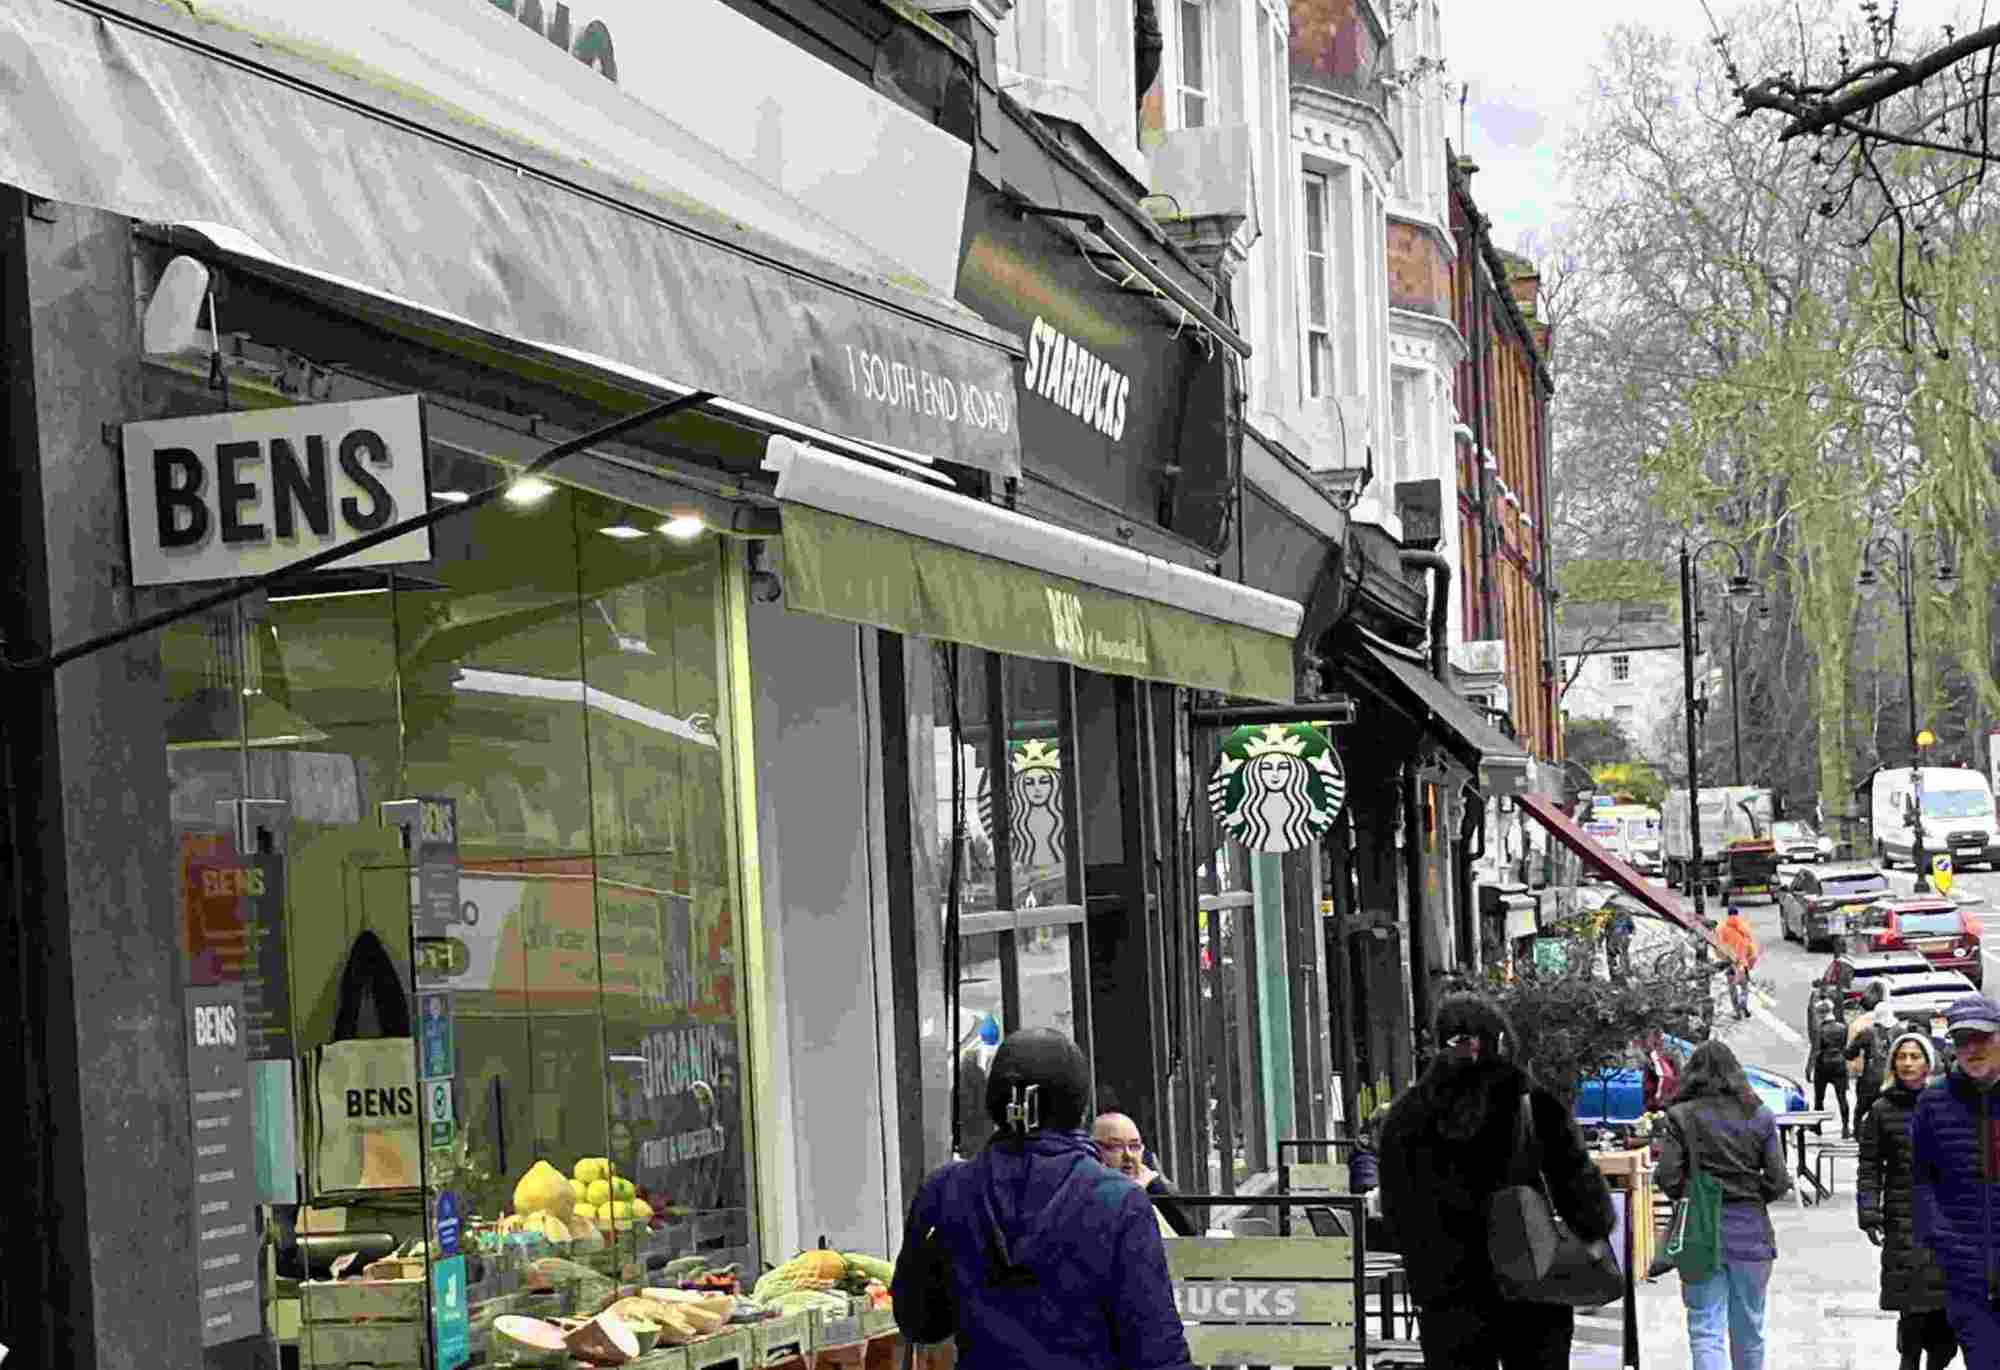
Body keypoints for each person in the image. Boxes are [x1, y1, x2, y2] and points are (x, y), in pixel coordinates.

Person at [890, 1028, 1192, 1370]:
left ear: (995, 1103)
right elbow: (1156, 1349)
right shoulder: (1119, 1201)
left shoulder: (944, 1190)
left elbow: (919, 1322)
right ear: (1078, 1104)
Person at [1375, 992, 1615, 1368]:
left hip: (1448, 1294)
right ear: (1500, 1040)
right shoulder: (1533, 1103)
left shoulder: (1406, 1117)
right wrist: (1594, 1231)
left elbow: (1396, 1212)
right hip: (1534, 1282)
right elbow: (1577, 1184)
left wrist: (1427, 1265)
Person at [1655, 1040, 1791, 1370]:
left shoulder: (1680, 1116)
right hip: (1751, 1232)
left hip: (1700, 1232)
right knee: (1750, 1329)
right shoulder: (1759, 1115)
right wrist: (1749, 1193)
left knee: (1705, 1329)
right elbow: (1778, 1180)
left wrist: (1691, 1193)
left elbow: (1667, 1176)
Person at [1859, 1032, 1958, 1370]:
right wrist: (1869, 1211)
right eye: (1902, 1057)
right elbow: (1869, 1164)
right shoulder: (1882, 1109)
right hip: (1904, 1221)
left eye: (1915, 1056)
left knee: (1944, 1319)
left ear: (1928, 1063)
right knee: (1912, 1313)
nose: (1908, 1063)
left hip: (1948, 1221)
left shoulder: (1949, 1103)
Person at [1911, 994, 2000, 1362]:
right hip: (1966, 1276)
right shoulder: (1934, 1103)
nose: (1973, 1050)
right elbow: (1920, 1179)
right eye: (1963, 1041)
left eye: (1982, 1039)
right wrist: (1941, 1237)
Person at [1091, 1110, 1200, 1236]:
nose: (1129, 1155)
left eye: (1134, 1146)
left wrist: (1156, 1187)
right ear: (1094, 1151)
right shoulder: (1084, 1194)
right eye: (1116, 1146)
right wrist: (1134, 1193)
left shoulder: (1152, 1187)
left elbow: (1190, 1235)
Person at [1849, 981, 1897, 1127]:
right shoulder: (1899, 1031)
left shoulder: (1867, 1032)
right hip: (1892, 1079)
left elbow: (1850, 1053)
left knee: (1860, 1111)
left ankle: (1858, 1137)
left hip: (1870, 1079)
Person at [1811, 1002, 1854, 1137]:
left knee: (1819, 1098)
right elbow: (1845, 1046)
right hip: (1839, 1064)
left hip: (1823, 1065)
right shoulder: (1842, 1027)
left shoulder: (1819, 1029)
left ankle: (1817, 1126)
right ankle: (1846, 1127)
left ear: (1821, 1014)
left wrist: (1809, 1067)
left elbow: (1816, 1050)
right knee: (1842, 1098)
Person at [1717, 906, 1759, 1019]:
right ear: (1737, 914)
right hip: (1742, 963)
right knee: (1744, 988)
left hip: (1730, 963)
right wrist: (1750, 962)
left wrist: (1722, 960)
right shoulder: (1744, 927)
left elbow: (1719, 947)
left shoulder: (1722, 928)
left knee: (1732, 988)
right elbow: (1751, 947)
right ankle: (1743, 1004)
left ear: (1728, 914)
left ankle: (1737, 1012)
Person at [1641, 1029, 1683, 1116]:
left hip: (1662, 1101)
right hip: (1656, 1101)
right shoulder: (1651, 1054)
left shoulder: (1670, 1053)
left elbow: (1668, 1076)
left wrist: (1659, 1097)